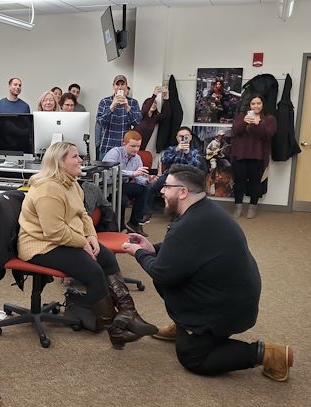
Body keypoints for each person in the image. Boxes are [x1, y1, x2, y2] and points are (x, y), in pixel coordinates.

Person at [121, 164, 294, 382]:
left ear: (183, 192)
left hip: (226, 309)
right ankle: (185, 326)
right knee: (164, 270)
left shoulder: (188, 226)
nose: (162, 191)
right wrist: (152, 248)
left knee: (193, 358)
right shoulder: (204, 211)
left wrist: (139, 253)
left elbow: (163, 272)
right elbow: (185, 249)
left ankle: (270, 354)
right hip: (232, 296)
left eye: (166, 186)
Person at [18, 141, 157, 349]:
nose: (80, 160)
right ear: (59, 162)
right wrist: (83, 243)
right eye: (75, 157)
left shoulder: (71, 182)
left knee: (107, 257)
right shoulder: (48, 189)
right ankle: (115, 331)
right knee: (92, 270)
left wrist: (91, 236)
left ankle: (129, 314)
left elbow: (83, 214)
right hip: (40, 244)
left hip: (66, 238)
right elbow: (53, 232)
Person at [230, 94, 277, 219]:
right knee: (239, 182)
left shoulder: (269, 119)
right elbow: (235, 131)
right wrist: (244, 122)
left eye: (258, 103)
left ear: (263, 105)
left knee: (256, 183)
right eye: (253, 103)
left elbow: (268, 135)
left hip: (258, 156)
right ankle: (238, 206)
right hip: (240, 155)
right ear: (249, 105)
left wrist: (258, 123)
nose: (256, 106)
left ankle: (253, 207)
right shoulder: (241, 117)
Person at [102, 131, 154, 236]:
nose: (136, 149)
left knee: (144, 188)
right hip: (107, 186)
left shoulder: (137, 158)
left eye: (138, 146)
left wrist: (148, 180)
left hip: (121, 186)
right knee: (122, 200)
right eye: (132, 146)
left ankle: (134, 222)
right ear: (124, 144)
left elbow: (139, 178)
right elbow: (111, 169)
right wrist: (133, 173)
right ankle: (118, 228)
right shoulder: (115, 152)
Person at [96, 75, 142, 159]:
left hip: (125, 148)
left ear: (126, 86)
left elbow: (137, 122)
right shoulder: (105, 101)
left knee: (123, 172)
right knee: (105, 172)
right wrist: (112, 106)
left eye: (122, 84)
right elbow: (101, 122)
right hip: (107, 146)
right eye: (117, 84)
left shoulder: (133, 102)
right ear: (113, 86)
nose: (120, 87)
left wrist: (127, 107)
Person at [136, 86, 171, 151]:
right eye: (151, 103)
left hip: (142, 147)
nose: (153, 104)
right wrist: (154, 95)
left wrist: (166, 99)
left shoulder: (154, 118)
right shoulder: (141, 114)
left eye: (155, 103)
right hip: (132, 142)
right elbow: (146, 109)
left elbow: (166, 115)